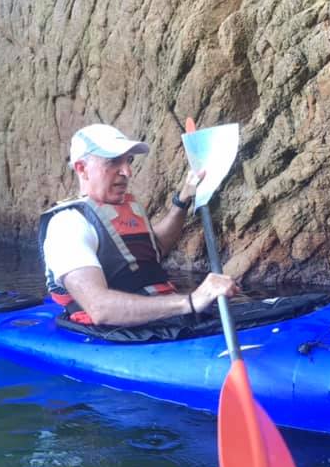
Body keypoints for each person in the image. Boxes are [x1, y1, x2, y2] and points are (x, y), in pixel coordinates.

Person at [39, 123, 239, 327]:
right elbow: (99, 308)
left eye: (129, 161)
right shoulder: (67, 225)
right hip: (115, 335)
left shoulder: (124, 208)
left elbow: (154, 248)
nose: (127, 171)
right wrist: (191, 300)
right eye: (114, 162)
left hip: (162, 323)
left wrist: (183, 200)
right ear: (82, 169)